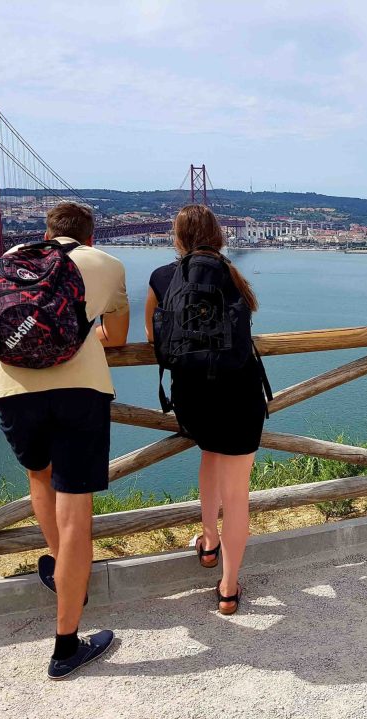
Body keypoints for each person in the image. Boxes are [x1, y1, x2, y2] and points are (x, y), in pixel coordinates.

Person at [0, 201, 129, 679]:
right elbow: (119, 336)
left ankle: (62, 570)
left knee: (38, 476)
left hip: (10, 387)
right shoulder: (106, 264)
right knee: (76, 510)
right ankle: (66, 646)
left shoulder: (12, 258)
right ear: (90, 235)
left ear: (47, 231)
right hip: (79, 391)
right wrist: (81, 331)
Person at [146, 204, 268, 615]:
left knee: (208, 456)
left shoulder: (162, 278)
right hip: (240, 395)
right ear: (218, 235)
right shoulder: (234, 275)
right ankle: (229, 589)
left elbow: (155, 338)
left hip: (192, 398)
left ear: (177, 237)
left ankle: (208, 543)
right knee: (237, 496)